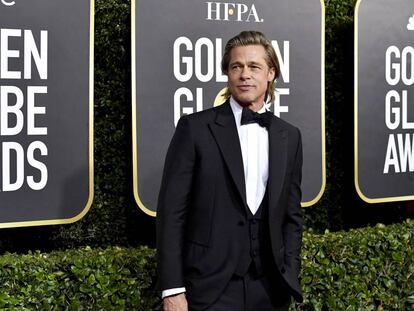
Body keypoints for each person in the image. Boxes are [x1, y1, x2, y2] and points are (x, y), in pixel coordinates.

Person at [157, 30, 303, 311]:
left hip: (271, 290)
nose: (244, 74)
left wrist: (290, 273)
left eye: (254, 67)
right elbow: (172, 213)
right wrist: (172, 289)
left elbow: (292, 216)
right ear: (227, 73)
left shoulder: (290, 136)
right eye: (236, 67)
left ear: (271, 73)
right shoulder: (195, 129)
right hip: (209, 288)